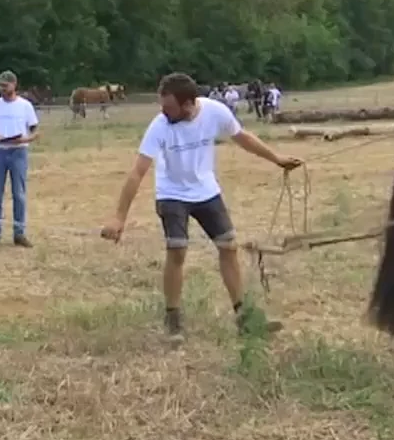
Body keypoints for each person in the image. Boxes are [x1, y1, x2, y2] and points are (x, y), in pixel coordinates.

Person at [102, 71, 301, 340]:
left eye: (169, 107)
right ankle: (173, 320)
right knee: (177, 251)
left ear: (188, 104)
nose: (163, 112)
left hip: (206, 191)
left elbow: (242, 137)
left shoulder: (214, 112)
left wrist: (276, 158)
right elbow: (137, 172)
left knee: (229, 246)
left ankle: (244, 318)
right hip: (171, 193)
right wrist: (118, 217)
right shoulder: (160, 126)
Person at [0, 70, 39, 247]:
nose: (2, 89)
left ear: (14, 85)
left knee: (19, 194)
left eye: (5, 85)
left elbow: (36, 130)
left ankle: (19, 233)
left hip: (19, 152)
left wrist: (26, 139)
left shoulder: (25, 106)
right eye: (0, 86)